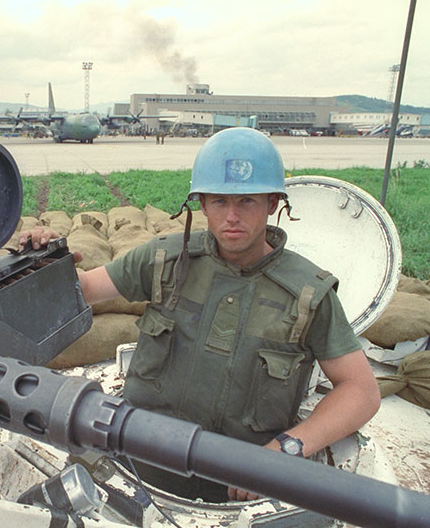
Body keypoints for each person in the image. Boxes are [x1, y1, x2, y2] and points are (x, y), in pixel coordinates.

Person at [19, 127, 380, 502]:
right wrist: (44, 256)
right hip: (138, 461)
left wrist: (283, 452)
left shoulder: (307, 293)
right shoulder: (165, 260)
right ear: (202, 204)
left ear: (273, 203)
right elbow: (85, 289)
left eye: (248, 202)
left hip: (242, 485)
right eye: (219, 202)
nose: (232, 217)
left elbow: (361, 391)